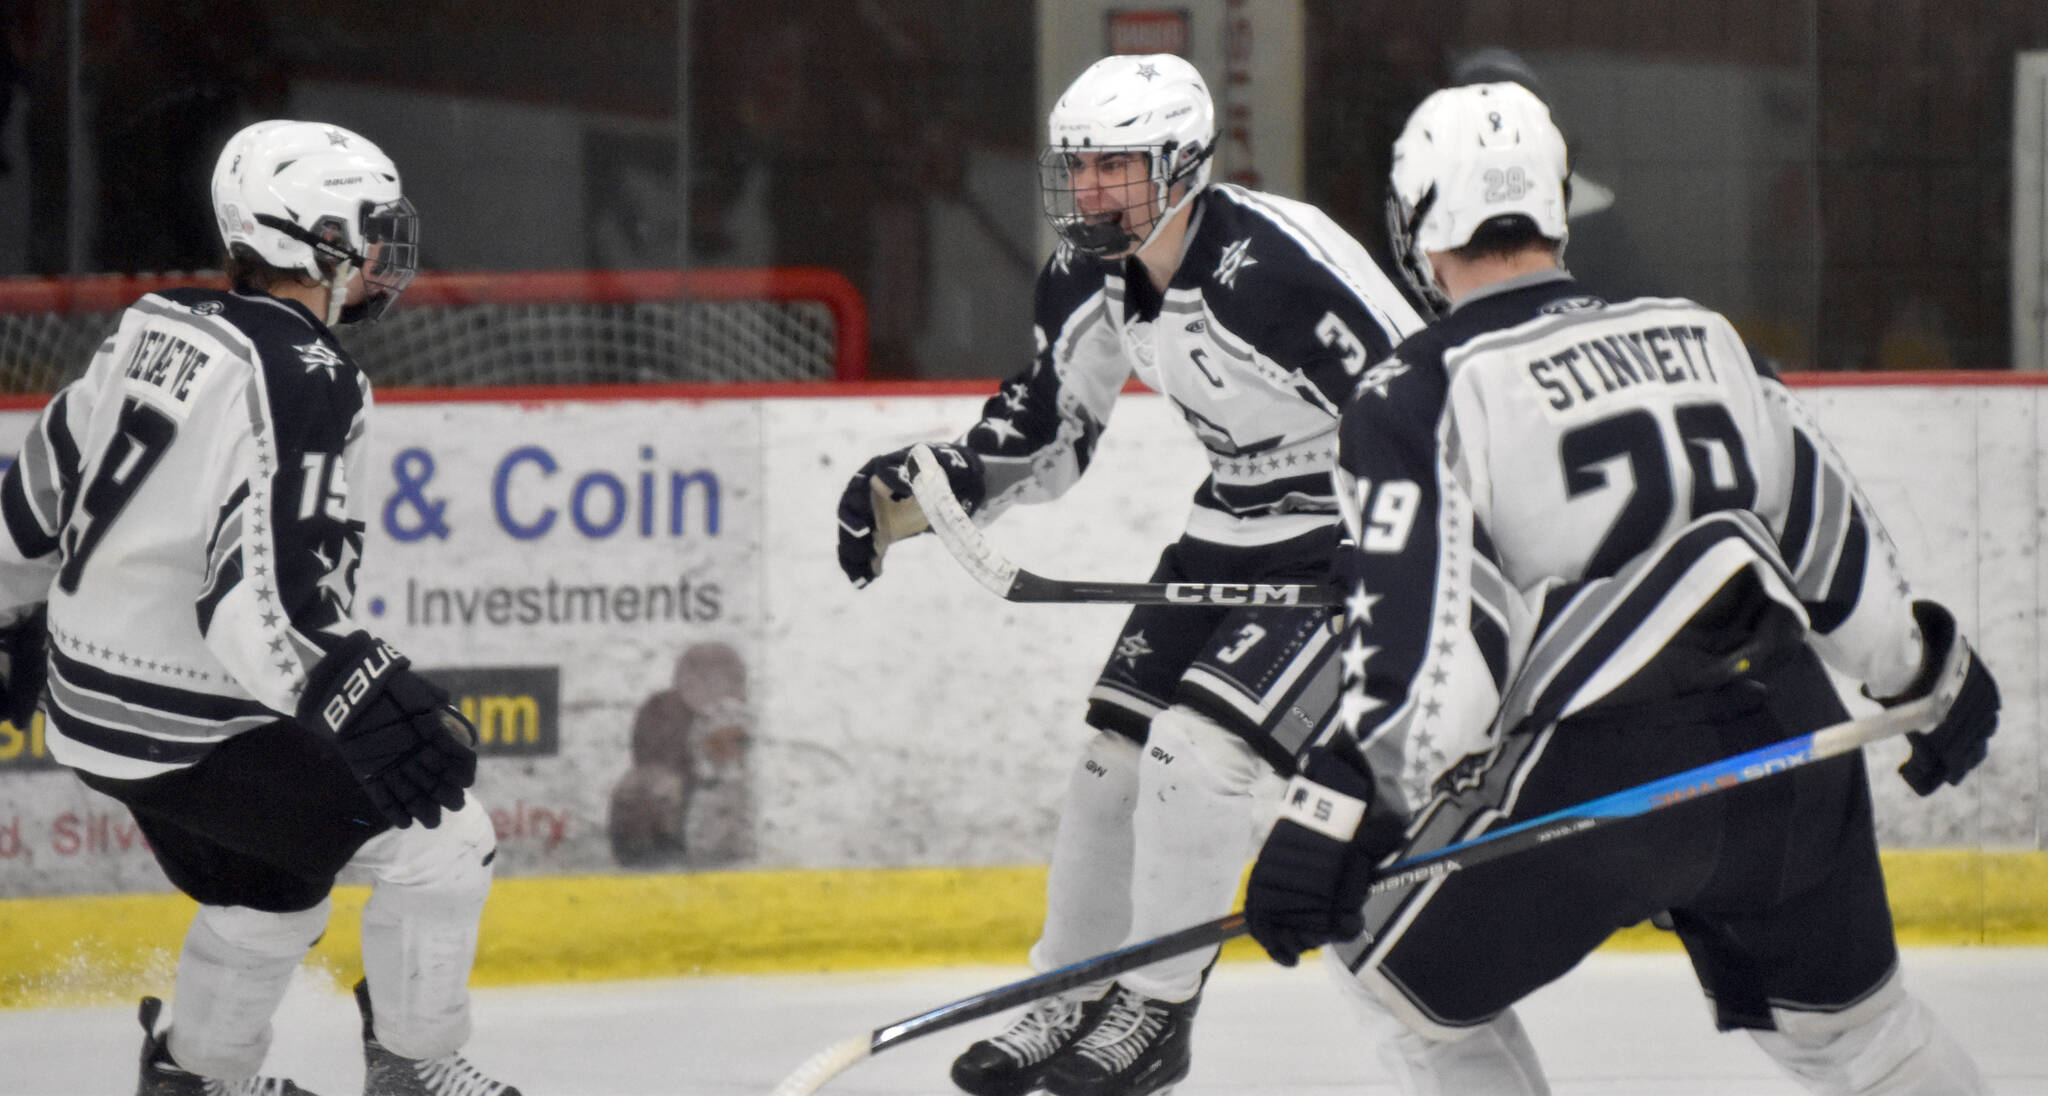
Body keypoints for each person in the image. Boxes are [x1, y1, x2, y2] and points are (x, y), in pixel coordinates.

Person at [1241, 82, 1998, 1095]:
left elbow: (1441, 677)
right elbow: (1829, 549)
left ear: (1418, 228)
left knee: (1394, 982)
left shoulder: (1414, 390)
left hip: (1602, 773)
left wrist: (1341, 808)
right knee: (1864, 1039)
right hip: (1789, 741)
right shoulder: (1705, 334)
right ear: (1554, 205)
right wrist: (1925, 674)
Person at [834, 53, 1424, 1096]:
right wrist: (922, 490)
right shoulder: (1084, 274)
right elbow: (1049, 431)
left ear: (1183, 166)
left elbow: (1421, 413)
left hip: (1347, 532)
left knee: (1194, 757)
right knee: (1110, 759)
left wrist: (1396, 568)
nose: (1091, 189)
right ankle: (1067, 991)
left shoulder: (1282, 267)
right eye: (1079, 165)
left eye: (1116, 165)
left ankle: (1154, 1007)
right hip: (1228, 523)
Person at [0, 120, 521, 1096]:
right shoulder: (309, 379)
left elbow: (27, 507)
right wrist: (355, 688)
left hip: (90, 718)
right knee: (445, 829)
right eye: (369, 228)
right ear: (316, 237)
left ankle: (197, 1075)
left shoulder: (151, 327)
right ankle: (414, 1065)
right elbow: (258, 602)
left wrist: (4, 620)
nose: (380, 253)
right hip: (190, 717)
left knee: (269, 887)